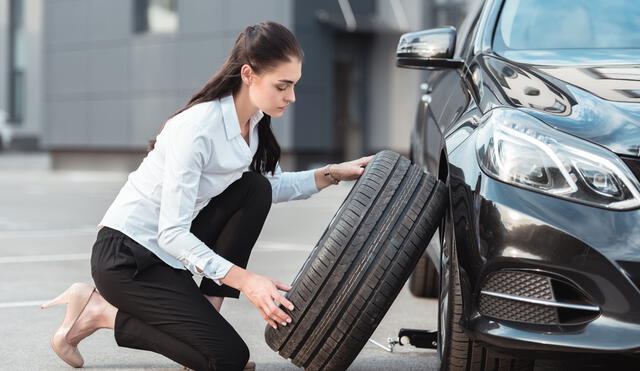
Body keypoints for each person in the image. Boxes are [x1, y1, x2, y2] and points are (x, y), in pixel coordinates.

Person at [41, 21, 373, 371]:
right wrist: (248, 282)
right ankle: (98, 311)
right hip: (127, 259)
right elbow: (171, 232)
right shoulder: (197, 128)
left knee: (253, 188)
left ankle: (205, 319)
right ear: (249, 74)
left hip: (168, 256)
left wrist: (333, 173)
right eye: (283, 86)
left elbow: (270, 188)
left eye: (294, 86)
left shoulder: (254, 125)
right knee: (229, 359)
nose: (291, 97)